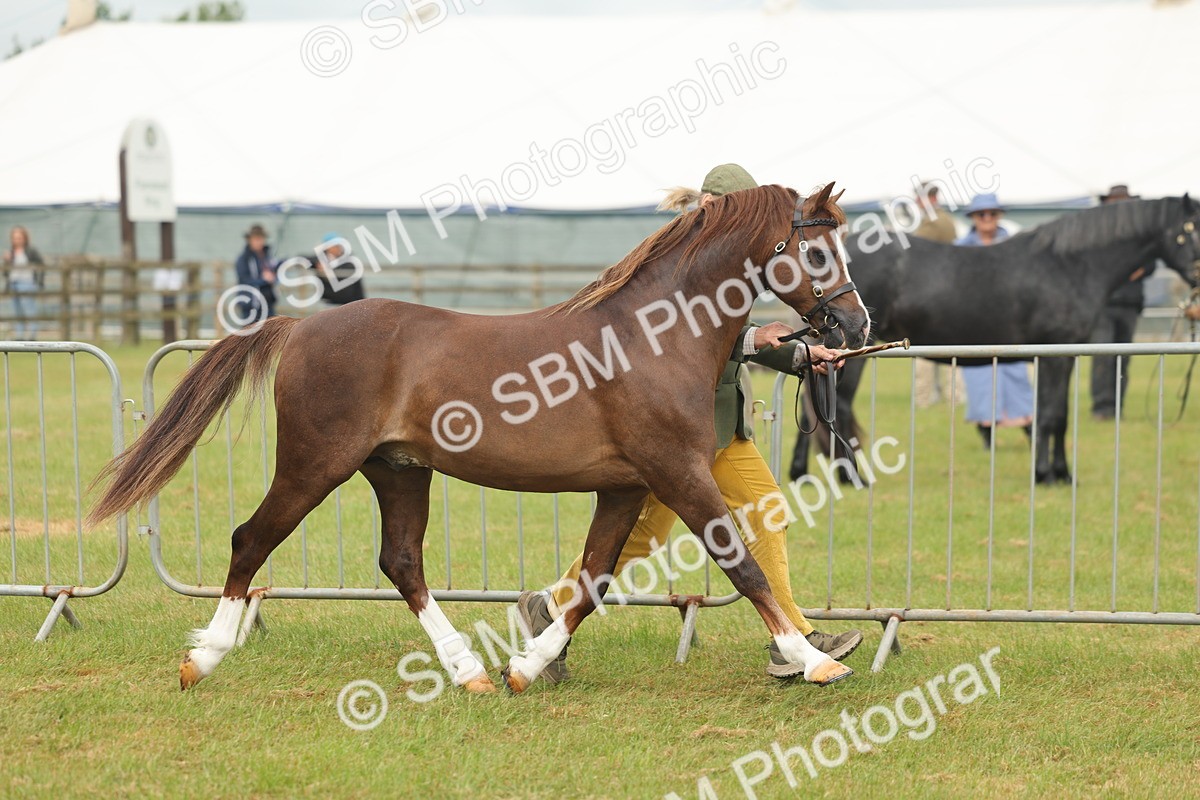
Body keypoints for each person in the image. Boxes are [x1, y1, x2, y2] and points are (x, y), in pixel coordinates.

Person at [516, 164, 864, 686]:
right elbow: (687, 341)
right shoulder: (688, 261)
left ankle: (548, 609)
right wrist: (755, 342)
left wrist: (800, 355)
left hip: (713, 425)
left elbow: (735, 335)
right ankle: (794, 639)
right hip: (676, 426)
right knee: (666, 529)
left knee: (663, 530)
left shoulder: (731, 263)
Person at [956, 193, 1034, 446]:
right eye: (981, 214)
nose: (987, 218)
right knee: (980, 377)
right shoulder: (960, 248)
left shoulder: (1014, 244)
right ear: (974, 218)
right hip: (974, 322)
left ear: (999, 215)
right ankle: (985, 430)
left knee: (1015, 373)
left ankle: (1030, 427)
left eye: (992, 213)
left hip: (1009, 322)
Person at [1090, 185, 1149, 420]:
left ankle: (1117, 407)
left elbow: (1151, 262)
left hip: (1130, 304)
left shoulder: (1140, 233)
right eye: (1114, 201)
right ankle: (1102, 408)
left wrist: (1137, 269)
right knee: (1102, 355)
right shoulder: (1097, 233)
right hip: (1103, 305)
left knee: (1123, 358)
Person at [912, 182, 958, 407]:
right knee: (953, 349)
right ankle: (954, 397)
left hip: (931, 295)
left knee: (925, 350)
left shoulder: (933, 222)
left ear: (927, 198)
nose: (915, 202)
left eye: (918, 198)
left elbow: (913, 251)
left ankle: (924, 399)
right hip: (948, 293)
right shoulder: (945, 220)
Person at [3, 226, 46, 341]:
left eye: (19, 238)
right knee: (17, 312)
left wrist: (40, 282)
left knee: (29, 310)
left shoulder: (31, 250)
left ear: (25, 238)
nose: (16, 240)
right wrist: (6, 260)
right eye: (15, 238)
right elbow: (6, 272)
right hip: (13, 283)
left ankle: (32, 335)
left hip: (27, 283)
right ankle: (19, 335)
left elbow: (41, 265)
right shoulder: (11, 252)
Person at [234, 224, 277, 322]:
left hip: (268, 303)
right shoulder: (243, 259)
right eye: (256, 239)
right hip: (251, 305)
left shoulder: (268, 257)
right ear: (249, 240)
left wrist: (273, 277)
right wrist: (264, 280)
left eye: (261, 238)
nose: (259, 242)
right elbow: (244, 279)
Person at [309, 233, 366, 306]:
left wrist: (327, 271)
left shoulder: (350, 262)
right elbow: (306, 259)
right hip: (332, 301)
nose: (338, 248)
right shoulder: (321, 259)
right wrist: (319, 264)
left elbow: (348, 291)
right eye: (335, 245)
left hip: (350, 302)